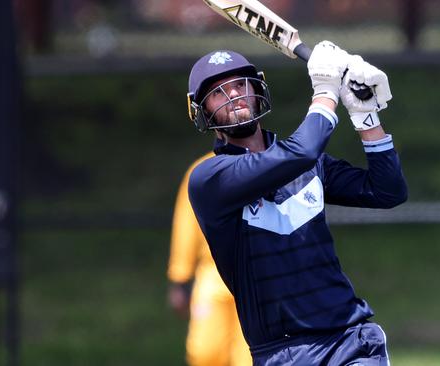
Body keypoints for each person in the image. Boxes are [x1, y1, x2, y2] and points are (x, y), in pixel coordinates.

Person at [185, 41, 407, 365]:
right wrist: (327, 90)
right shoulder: (209, 179)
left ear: (256, 89)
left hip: (349, 337)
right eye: (219, 92)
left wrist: (365, 115)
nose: (233, 95)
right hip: (282, 353)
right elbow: (301, 151)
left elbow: (388, 191)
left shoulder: (304, 163)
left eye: (239, 85)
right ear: (202, 110)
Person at [167, 156, 252, 366]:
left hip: (255, 273)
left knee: (249, 355)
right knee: (205, 352)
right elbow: (187, 226)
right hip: (213, 274)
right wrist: (180, 277)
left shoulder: (263, 165)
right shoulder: (202, 171)